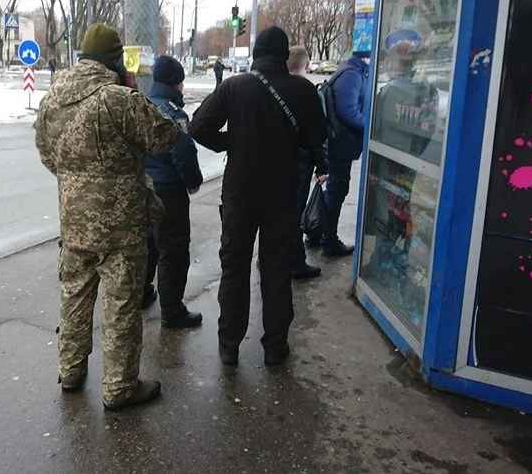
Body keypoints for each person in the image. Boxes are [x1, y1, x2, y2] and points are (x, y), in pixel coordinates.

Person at [34, 23, 179, 411]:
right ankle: (118, 387)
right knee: (121, 307)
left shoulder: (52, 98)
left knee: (74, 299)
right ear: (116, 61)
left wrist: (78, 184)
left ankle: (70, 371)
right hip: (121, 226)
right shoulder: (117, 98)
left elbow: (48, 155)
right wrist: (133, 89)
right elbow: (165, 136)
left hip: (74, 222)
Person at [189, 27, 326, 366]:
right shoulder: (303, 90)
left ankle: (229, 346)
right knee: (276, 269)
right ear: (283, 55)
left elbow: (198, 126)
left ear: (255, 54)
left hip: (239, 192)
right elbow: (318, 137)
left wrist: (231, 143)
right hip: (282, 192)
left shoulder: (235, 87)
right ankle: (275, 347)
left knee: (234, 268)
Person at [142, 55, 204, 328]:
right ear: (177, 84)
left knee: (147, 245)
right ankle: (172, 309)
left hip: (141, 188)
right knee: (174, 250)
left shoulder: (139, 106)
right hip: (168, 191)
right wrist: (193, 181)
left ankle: (142, 293)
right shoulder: (173, 114)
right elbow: (184, 152)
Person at [321, 49, 371, 258]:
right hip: (340, 143)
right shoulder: (352, 74)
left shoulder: (351, 71)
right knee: (337, 190)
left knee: (335, 189)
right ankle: (328, 239)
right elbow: (348, 111)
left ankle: (319, 232)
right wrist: (370, 125)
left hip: (339, 142)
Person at [286, 45, 326, 280]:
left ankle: (269, 256)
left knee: (276, 212)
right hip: (300, 162)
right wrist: (322, 165)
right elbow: (317, 134)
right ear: (305, 64)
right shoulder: (308, 90)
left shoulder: (270, 86)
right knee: (294, 213)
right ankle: (296, 262)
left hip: (275, 162)